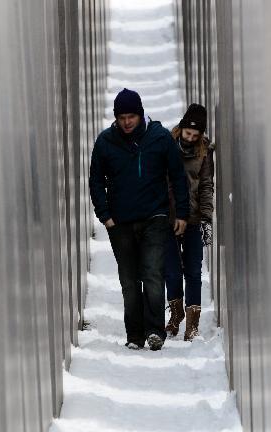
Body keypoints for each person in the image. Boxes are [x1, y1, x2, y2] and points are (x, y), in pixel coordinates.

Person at [89, 88, 189, 351]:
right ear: (116, 117)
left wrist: (181, 213)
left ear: (140, 114)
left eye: (131, 116)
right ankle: (134, 334)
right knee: (130, 280)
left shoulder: (159, 138)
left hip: (154, 217)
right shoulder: (105, 142)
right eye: (122, 117)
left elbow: (178, 176)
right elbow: (96, 181)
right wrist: (106, 216)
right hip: (120, 223)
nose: (126, 122)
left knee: (153, 274)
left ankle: (155, 331)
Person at [164, 103, 214, 341]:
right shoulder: (167, 146)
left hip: (193, 219)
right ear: (181, 128)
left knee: (193, 271)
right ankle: (175, 316)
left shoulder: (204, 153)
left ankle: (192, 324)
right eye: (188, 133)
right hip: (169, 218)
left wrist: (206, 218)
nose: (190, 138)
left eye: (195, 135)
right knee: (172, 271)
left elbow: (206, 185)